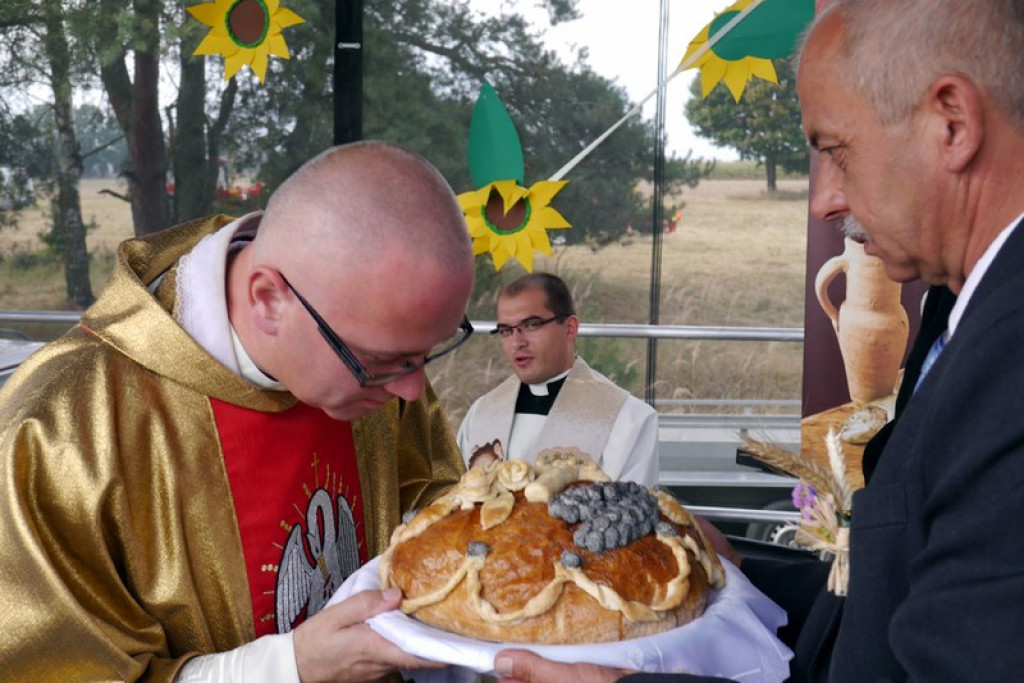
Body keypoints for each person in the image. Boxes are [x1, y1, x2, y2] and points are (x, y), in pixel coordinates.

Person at [492, 1, 1024, 681]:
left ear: (951, 123)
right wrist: (745, 572)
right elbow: (904, 592)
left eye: (835, 150)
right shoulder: (960, 308)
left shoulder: (1009, 369)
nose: (823, 200)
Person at [0, 141, 476, 682]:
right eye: (386, 361)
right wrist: (288, 668)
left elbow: (442, 524)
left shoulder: (372, 346)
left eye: (428, 353)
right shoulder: (58, 430)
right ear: (269, 299)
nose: (413, 392)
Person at [456, 272, 659, 485]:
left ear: (570, 328)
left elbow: (632, 514)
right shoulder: (480, 413)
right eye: (506, 330)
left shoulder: (629, 419)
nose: (517, 342)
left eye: (532, 325)